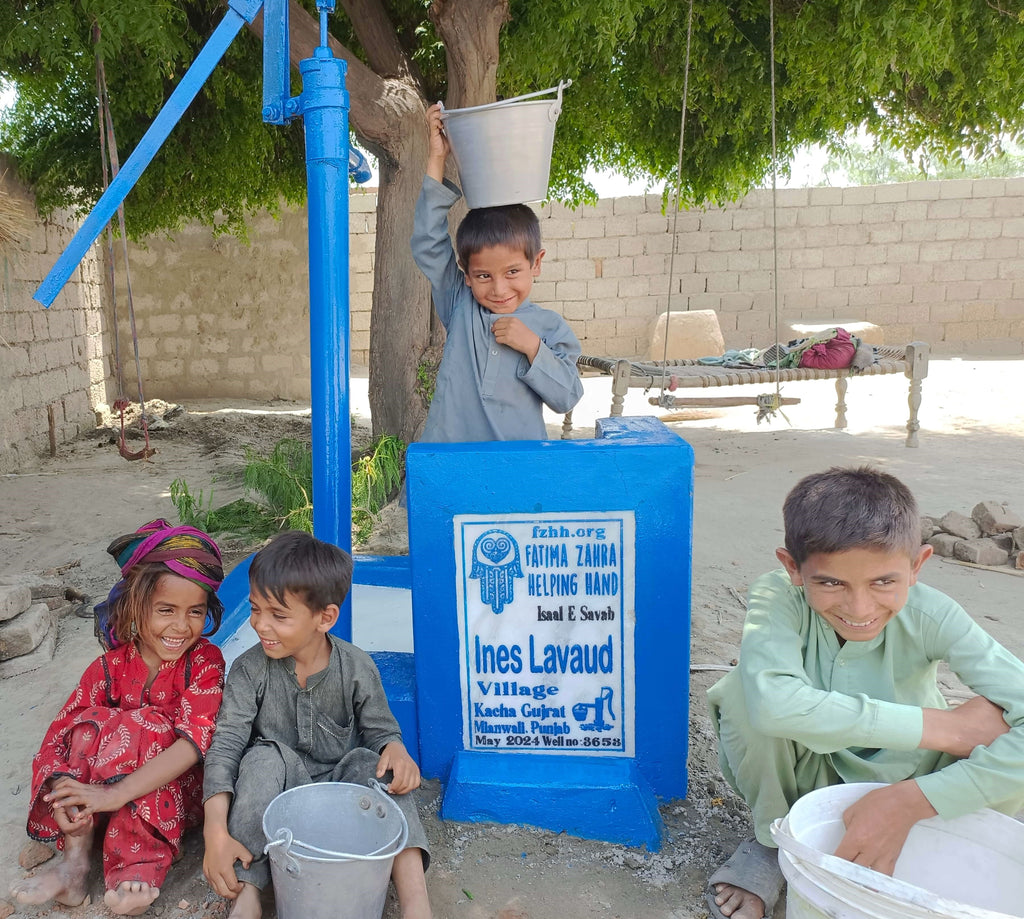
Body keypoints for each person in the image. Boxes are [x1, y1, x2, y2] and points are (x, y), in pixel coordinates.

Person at [704, 467, 1024, 919]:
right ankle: (775, 841)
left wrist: (912, 799)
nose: (859, 608)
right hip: (806, 774)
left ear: (917, 565)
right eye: (830, 582)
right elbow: (773, 705)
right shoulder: (777, 597)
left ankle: (925, 831)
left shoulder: (935, 616)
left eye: (883, 582)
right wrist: (944, 727)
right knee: (745, 695)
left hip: (913, 775)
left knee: (1003, 723)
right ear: (792, 568)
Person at [201, 529, 431, 919]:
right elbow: (225, 748)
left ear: (325, 618)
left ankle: (415, 902)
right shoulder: (249, 670)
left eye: (278, 615)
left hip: (342, 792)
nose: (260, 625)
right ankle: (250, 893)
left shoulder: (356, 666)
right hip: (279, 792)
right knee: (259, 759)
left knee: (374, 767)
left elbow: (382, 732)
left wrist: (395, 749)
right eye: (256, 609)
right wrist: (214, 833)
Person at [10, 519, 226, 917]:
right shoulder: (108, 667)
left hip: (172, 795)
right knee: (87, 722)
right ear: (133, 606)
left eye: (195, 612)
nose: (181, 626)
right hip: (102, 800)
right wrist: (63, 790)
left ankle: (138, 863)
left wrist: (115, 793)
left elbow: (193, 745)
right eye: (165, 610)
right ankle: (75, 864)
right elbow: (60, 733)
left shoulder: (204, 663)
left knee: (148, 723)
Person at [410, 102, 583, 443]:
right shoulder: (460, 304)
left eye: (513, 271)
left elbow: (567, 397)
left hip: (516, 477)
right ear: (466, 274)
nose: (499, 288)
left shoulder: (550, 328)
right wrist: (437, 158)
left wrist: (533, 347)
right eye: (484, 276)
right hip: (451, 467)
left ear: (536, 263)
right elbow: (428, 241)